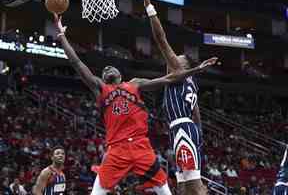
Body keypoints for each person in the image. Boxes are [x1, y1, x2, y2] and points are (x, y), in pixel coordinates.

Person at [53, 13, 217, 195]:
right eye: (104, 69)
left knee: (164, 189)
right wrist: (62, 37)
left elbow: (169, 78)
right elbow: (77, 63)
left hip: (141, 147)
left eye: (111, 66)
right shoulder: (100, 88)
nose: (107, 68)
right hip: (116, 149)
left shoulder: (135, 83)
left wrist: (196, 70)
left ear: (121, 75)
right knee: (97, 191)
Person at [143, 0, 209, 195]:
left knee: (194, 186)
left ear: (184, 65)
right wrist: (198, 137)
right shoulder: (192, 83)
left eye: (178, 57)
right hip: (187, 129)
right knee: (182, 185)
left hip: (182, 129)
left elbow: (161, 40)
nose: (173, 59)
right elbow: (197, 115)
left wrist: (149, 8)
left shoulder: (180, 71)